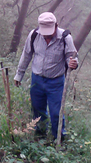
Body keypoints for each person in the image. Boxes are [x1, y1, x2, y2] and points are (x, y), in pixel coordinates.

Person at [14, 12, 78, 140]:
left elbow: (72, 58)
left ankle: (59, 138)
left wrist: (73, 63)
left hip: (56, 82)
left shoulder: (65, 38)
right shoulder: (34, 35)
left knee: (56, 113)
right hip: (37, 80)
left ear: (56, 25)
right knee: (38, 110)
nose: (47, 35)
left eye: (50, 31)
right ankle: (40, 135)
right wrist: (18, 75)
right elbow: (26, 55)